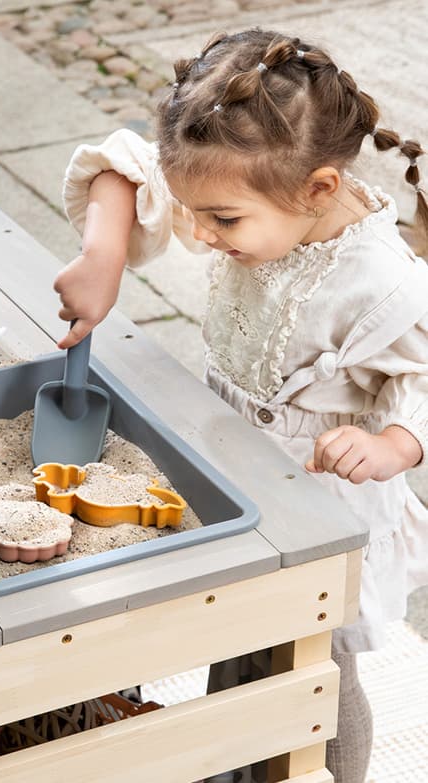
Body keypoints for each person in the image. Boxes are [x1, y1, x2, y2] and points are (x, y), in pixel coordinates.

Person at [54, 28, 428, 783]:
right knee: (235, 638)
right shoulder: (247, 193)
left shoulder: (382, 281)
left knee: (313, 674)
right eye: (197, 213)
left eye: (221, 220)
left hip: (318, 507)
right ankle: (234, 764)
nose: (198, 233)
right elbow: (123, 168)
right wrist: (103, 255)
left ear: (319, 188)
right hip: (232, 477)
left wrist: (394, 443)